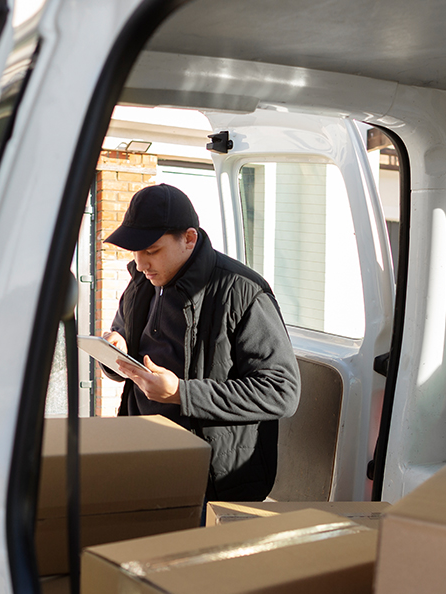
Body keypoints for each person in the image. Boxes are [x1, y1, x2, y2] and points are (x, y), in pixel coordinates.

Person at [102, 183, 300, 501]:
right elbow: (122, 344)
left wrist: (181, 393)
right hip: (144, 459)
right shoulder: (141, 282)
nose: (140, 263)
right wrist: (113, 353)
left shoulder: (243, 291)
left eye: (152, 250)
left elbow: (281, 392)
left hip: (216, 479)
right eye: (135, 252)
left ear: (189, 238)